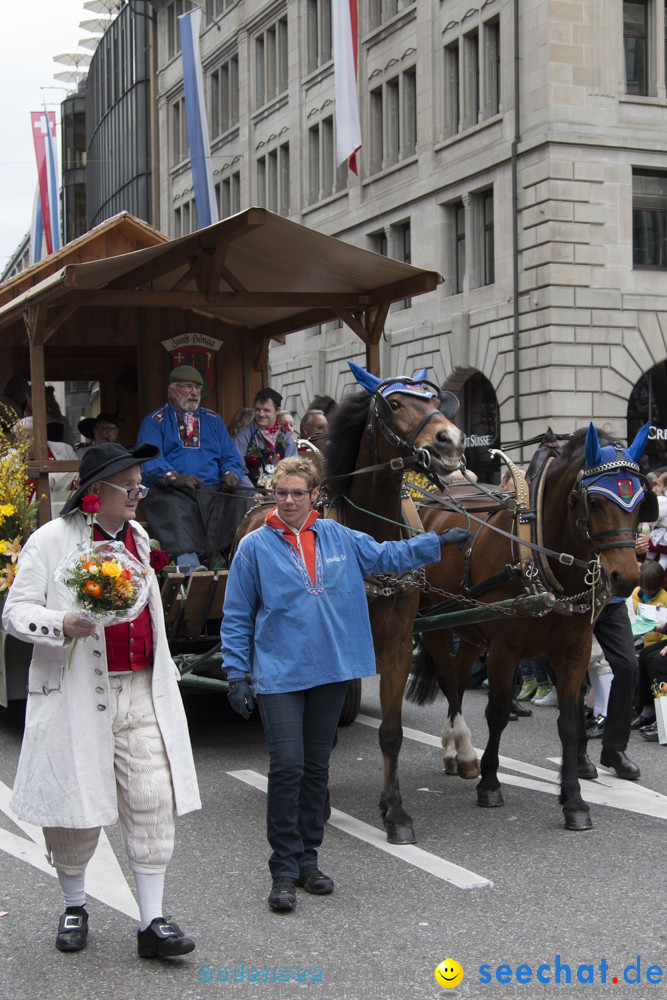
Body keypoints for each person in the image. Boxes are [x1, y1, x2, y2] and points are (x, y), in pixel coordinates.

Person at [220, 456, 470, 913]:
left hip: (330, 670)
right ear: (273, 496)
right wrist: (237, 671)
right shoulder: (254, 547)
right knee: (288, 767)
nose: (290, 501)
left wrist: (437, 543)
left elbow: (387, 556)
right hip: (279, 674)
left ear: (315, 496)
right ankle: (282, 869)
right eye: (282, 493)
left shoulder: (338, 537)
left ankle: (308, 861)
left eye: (299, 493)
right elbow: (236, 615)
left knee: (317, 770)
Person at [2, 442, 201, 957]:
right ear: (96, 493)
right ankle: (74, 905)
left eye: (140, 484)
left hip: (138, 687)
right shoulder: (50, 540)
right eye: (129, 486)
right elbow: (15, 612)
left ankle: (152, 922)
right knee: (74, 806)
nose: (139, 493)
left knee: (153, 797)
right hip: (74, 692)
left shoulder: (136, 537)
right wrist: (60, 624)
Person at [135, 365, 250, 569]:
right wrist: (175, 478)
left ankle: (232, 563)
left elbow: (230, 455)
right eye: (188, 387)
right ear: (172, 390)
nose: (195, 393)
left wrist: (231, 474)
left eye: (198, 387)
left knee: (241, 501)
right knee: (173, 507)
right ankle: (190, 568)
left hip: (213, 490)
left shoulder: (213, 419)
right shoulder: (155, 421)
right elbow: (149, 459)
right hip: (173, 491)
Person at [233, 387, 298, 490]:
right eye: (258, 409)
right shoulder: (243, 437)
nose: (261, 414)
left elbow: (292, 468)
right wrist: (253, 493)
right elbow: (238, 470)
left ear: (277, 411)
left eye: (266, 410)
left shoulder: (285, 437)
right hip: (251, 494)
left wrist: (282, 493)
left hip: (280, 493)